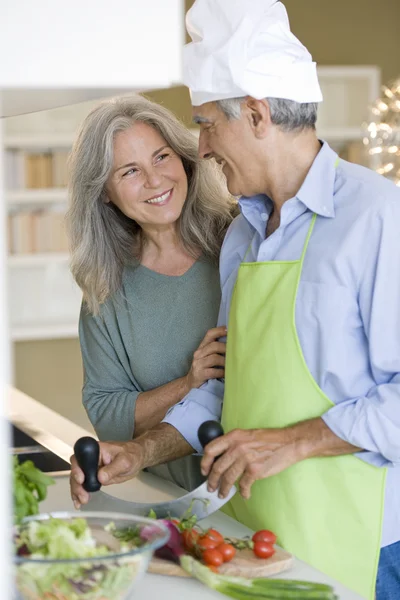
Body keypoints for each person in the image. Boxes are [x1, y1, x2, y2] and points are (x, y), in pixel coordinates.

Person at [70, 3, 400, 599]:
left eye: (204, 124)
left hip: (366, 541)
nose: (201, 147)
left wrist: (297, 440)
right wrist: (141, 451)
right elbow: (225, 385)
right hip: (258, 533)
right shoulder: (243, 236)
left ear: (254, 114)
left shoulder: (378, 216)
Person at [67, 94, 234, 493]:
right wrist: (188, 382)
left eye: (161, 157)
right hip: (171, 495)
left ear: (184, 160)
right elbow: (108, 416)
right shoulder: (105, 289)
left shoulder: (240, 237)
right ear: (104, 191)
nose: (155, 180)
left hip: (256, 494)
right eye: (129, 171)